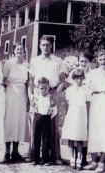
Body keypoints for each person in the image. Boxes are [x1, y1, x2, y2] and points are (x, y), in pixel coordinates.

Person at [28, 36, 64, 165]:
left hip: (52, 93)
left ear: (51, 46)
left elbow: (63, 82)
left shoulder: (58, 61)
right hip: (38, 95)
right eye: (43, 45)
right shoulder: (34, 61)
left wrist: (55, 95)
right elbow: (31, 82)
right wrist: (32, 96)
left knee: (52, 128)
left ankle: (54, 156)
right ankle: (34, 156)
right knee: (36, 126)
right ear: (39, 46)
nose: (45, 47)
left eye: (47, 45)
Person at [3, 42, 29, 163]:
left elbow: (28, 82)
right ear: (14, 51)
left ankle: (15, 152)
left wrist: (29, 98)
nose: (19, 52)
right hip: (10, 94)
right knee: (9, 121)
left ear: (24, 52)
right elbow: (3, 80)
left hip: (22, 94)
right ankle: (7, 153)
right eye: (17, 50)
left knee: (19, 121)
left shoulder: (26, 65)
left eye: (21, 50)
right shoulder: (8, 64)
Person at [61, 69, 90, 171]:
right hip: (72, 113)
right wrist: (67, 116)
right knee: (71, 137)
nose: (78, 80)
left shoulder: (86, 89)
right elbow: (67, 105)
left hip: (82, 114)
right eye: (76, 78)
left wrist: (88, 117)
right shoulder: (69, 90)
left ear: (83, 78)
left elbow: (88, 104)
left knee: (80, 138)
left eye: (80, 78)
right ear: (73, 79)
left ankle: (79, 159)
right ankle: (72, 158)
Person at [31, 77, 56, 166]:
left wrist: (49, 115)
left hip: (47, 118)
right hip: (37, 117)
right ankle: (35, 159)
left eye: (45, 88)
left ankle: (45, 159)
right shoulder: (36, 98)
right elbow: (32, 108)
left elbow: (54, 110)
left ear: (48, 88)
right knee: (36, 138)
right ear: (38, 88)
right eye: (41, 88)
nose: (43, 90)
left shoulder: (51, 98)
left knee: (46, 139)